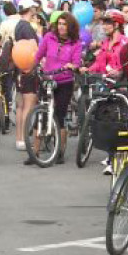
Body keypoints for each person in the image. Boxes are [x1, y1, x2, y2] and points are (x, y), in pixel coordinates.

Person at [27, 12, 84, 165]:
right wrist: (30, 70)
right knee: (41, 114)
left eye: (64, 24)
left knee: (60, 116)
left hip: (64, 81)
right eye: (59, 23)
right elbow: (39, 55)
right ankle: (35, 151)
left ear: (70, 26)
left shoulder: (76, 43)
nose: (61, 27)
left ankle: (60, 151)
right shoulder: (48, 37)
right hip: (47, 79)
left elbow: (77, 62)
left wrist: (73, 66)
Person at [13, 0, 41, 152]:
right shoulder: (27, 27)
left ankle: (19, 138)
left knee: (21, 106)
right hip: (28, 69)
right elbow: (34, 49)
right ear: (30, 9)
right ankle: (24, 138)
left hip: (19, 68)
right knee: (28, 105)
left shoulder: (19, 26)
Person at [84, 10, 126, 81]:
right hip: (104, 85)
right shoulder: (105, 43)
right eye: (103, 24)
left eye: (107, 24)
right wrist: (88, 70)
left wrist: (120, 73)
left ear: (116, 25)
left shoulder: (125, 43)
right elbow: (99, 63)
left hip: (120, 86)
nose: (103, 27)